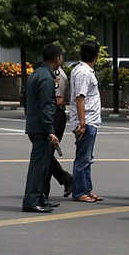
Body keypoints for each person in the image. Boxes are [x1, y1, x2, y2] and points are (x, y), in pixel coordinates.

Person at [22, 43, 64, 213]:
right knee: (39, 166)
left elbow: (26, 100)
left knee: (45, 164)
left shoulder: (36, 74)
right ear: (57, 58)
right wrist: (50, 130)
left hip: (34, 125)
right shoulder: (46, 78)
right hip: (42, 128)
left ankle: (41, 198)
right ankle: (32, 201)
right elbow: (46, 106)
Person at [69, 39, 103, 203]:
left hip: (90, 120)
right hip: (86, 120)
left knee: (87, 157)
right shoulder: (83, 72)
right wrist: (82, 124)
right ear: (96, 55)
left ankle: (86, 189)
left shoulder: (85, 70)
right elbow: (80, 98)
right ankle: (80, 191)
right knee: (83, 158)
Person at [47, 59, 73, 199]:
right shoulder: (48, 74)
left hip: (56, 115)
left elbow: (59, 100)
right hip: (50, 115)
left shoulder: (59, 76)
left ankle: (66, 178)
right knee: (45, 154)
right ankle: (65, 178)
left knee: (46, 152)